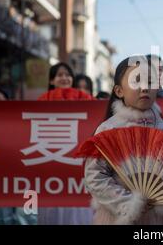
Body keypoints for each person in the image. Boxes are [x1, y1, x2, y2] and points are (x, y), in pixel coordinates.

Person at [82, 55, 163, 225]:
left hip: (162, 218)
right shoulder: (108, 129)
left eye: (150, 81)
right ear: (119, 91)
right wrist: (129, 203)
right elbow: (94, 176)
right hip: (118, 217)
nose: (144, 88)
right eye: (136, 81)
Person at [37, 62, 94, 225]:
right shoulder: (41, 102)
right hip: (50, 165)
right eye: (59, 75)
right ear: (51, 81)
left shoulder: (87, 100)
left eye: (68, 75)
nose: (64, 78)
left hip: (78, 166)